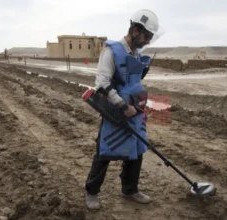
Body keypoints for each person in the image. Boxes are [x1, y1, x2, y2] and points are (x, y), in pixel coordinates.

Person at [84, 9, 164, 210]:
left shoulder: (136, 54)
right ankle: (91, 191)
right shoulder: (111, 51)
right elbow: (101, 82)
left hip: (135, 109)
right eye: (146, 36)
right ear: (135, 30)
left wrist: (136, 106)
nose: (147, 41)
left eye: (150, 38)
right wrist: (122, 105)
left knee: (137, 149)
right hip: (115, 109)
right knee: (106, 149)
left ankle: (130, 189)